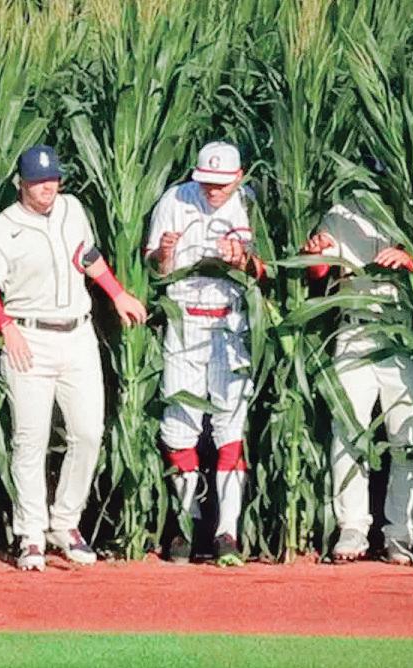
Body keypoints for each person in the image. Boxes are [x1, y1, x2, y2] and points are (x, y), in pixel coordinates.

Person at [0, 144, 147, 572]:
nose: (47, 187)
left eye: (52, 179)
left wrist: (118, 293)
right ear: (21, 184)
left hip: (77, 334)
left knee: (88, 433)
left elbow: (86, 256)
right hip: (28, 337)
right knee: (30, 440)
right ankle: (31, 534)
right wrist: (6, 327)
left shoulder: (72, 209)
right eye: (38, 181)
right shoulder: (2, 229)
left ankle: (65, 524)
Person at [145, 141, 264, 566]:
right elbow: (152, 266)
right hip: (184, 321)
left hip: (231, 325)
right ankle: (184, 523)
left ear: (238, 177)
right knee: (180, 425)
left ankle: (226, 532)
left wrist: (243, 260)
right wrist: (164, 254)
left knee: (230, 426)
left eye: (221, 184)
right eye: (207, 183)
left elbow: (267, 270)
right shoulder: (175, 200)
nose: (213, 191)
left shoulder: (250, 204)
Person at [303, 195, 413, 565]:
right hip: (355, 332)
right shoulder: (341, 213)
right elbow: (318, 273)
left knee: (407, 437)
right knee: (348, 432)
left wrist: (412, 261)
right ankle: (352, 528)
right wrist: (316, 255)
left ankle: (401, 534)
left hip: (404, 333)